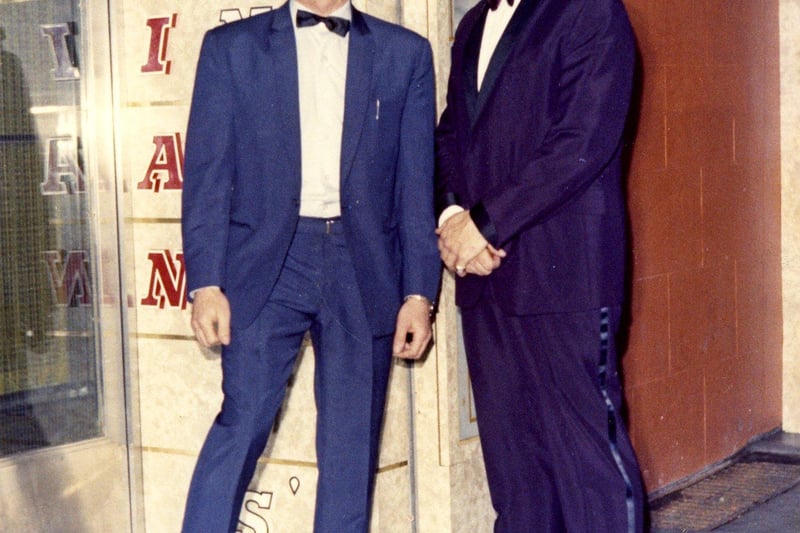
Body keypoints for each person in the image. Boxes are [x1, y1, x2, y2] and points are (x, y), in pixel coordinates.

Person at [179, 0, 440, 530]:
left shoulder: (404, 54)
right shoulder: (231, 49)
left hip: (362, 265)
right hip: (264, 266)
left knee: (350, 448)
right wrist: (204, 283)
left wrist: (419, 294)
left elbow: (416, 187)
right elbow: (207, 176)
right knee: (243, 422)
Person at [435, 0, 645, 531]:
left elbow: (580, 141)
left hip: (564, 278)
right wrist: (453, 214)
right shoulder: (473, 25)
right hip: (486, 281)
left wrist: (483, 224)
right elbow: (449, 139)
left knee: (589, 470)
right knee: (518, 479)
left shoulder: (591, 12)